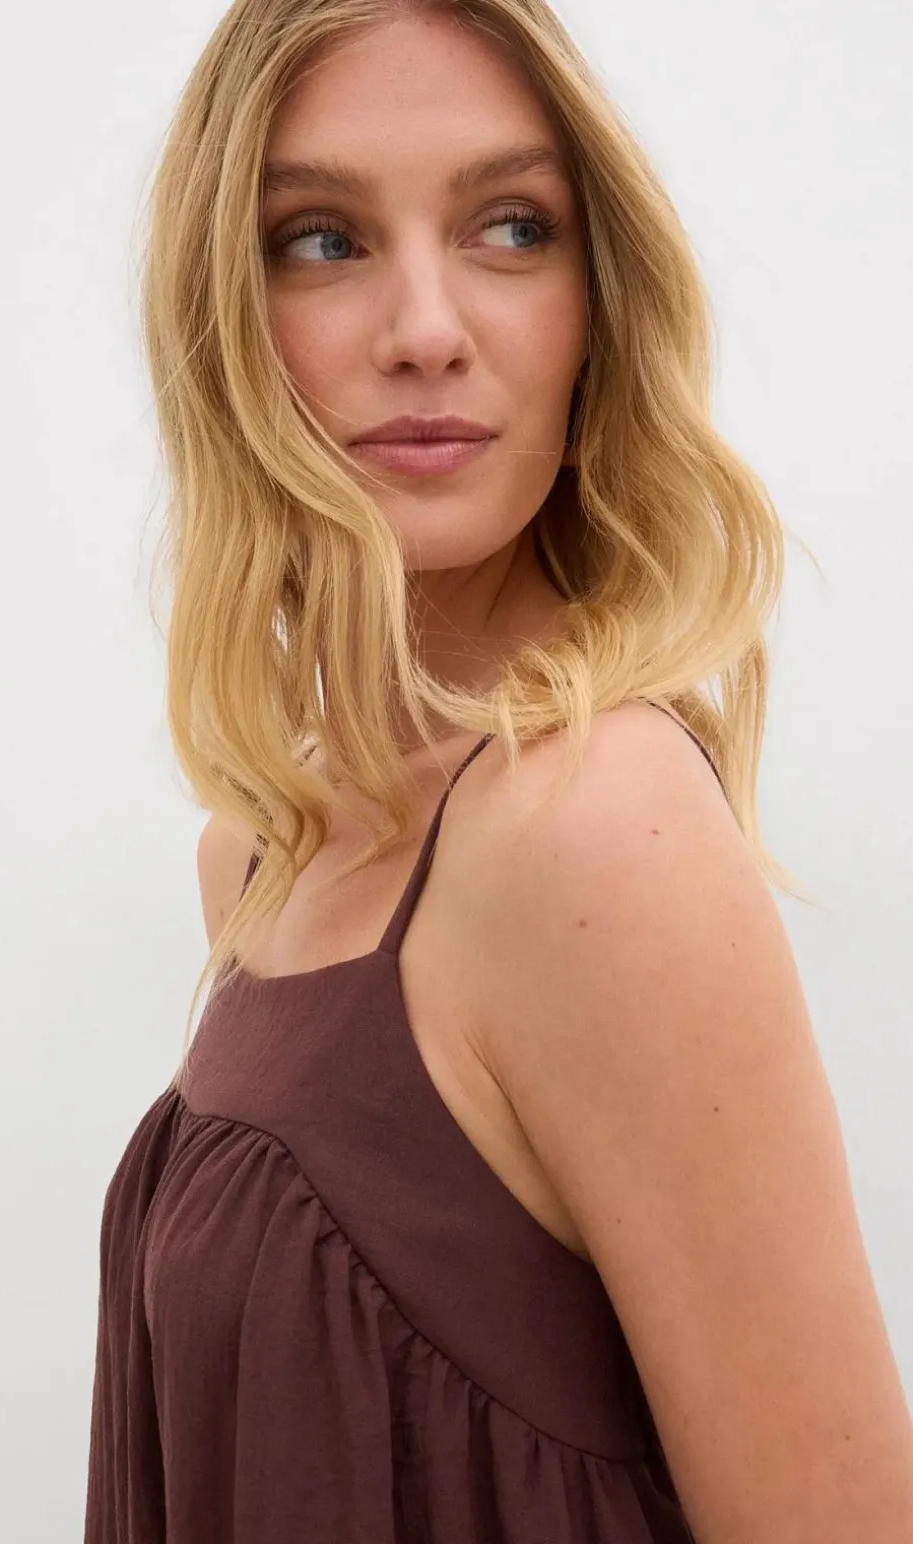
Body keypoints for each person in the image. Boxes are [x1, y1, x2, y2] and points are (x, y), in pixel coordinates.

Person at [85, 2, 913, 1540]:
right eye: (320, 240)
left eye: (511, 227)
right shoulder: (260, 853)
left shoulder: (591, 821)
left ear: (598, 303)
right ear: (220, 316)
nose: (425, 328)